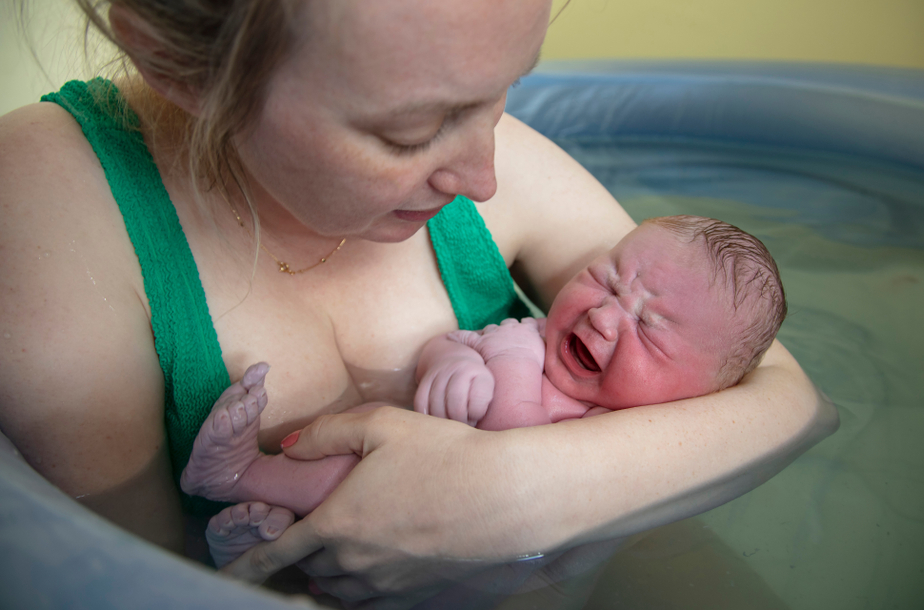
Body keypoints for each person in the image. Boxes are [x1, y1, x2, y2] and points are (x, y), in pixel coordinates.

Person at [0, 0, 832, 606]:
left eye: (507, 91)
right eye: (412, 132)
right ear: (180, 63)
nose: (485, 175)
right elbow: (127, 584)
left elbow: (787, 399)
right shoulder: (51, 213)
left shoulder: (503, 173)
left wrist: (515, 493)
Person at [181, 215, 789, 567]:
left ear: (700, 396)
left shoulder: (636, 443)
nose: (605, 316)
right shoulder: (524, 336)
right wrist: (447, 361)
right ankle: (242, 481)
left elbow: (515, 455)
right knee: (355, 454)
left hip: (474, 574)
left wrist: (503, 365)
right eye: (604, 280)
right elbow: (456, 344)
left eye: (650, 330)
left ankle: (269, 543)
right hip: (396, 491)